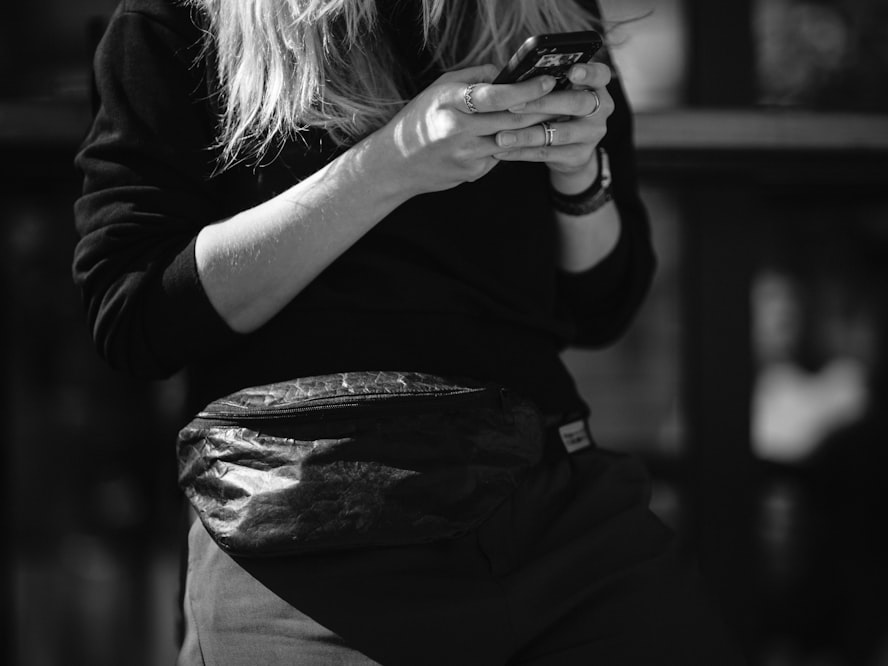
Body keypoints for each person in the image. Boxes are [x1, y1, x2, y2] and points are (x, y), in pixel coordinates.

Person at [73, 0, 745, 663]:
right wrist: (390, 166)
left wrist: (577, 175)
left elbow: (605, 305)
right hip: (300, 517)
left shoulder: (536, 9)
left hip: (548, 495)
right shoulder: (183, 21)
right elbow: (138, 316)